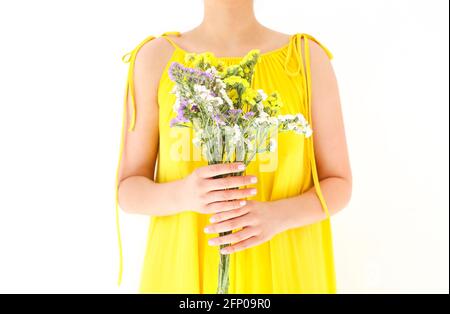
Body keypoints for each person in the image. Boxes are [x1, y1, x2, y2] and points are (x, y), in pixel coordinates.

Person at [115, 0, 352, 293]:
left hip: (284, 273)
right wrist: (183, 194)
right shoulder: (155, 59)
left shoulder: (305, 59)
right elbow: (127, 189)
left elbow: (339, 183)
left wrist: (279, 215)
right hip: (183, 276)